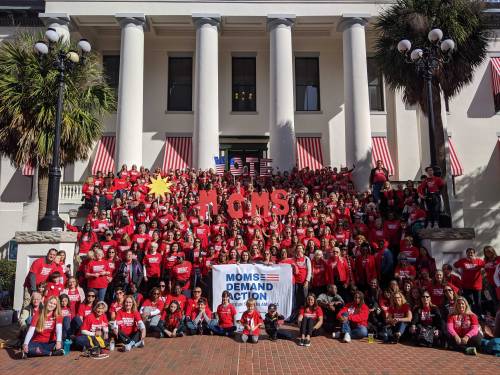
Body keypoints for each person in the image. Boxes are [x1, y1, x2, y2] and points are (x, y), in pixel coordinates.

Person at [453, 248, 485, 315]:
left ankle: (479, 316)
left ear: (474, 253)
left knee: (478, 302)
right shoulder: (463, 261)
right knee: (467, 301)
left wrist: (482, 274)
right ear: (466, 253)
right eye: (468, 252)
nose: (470, 254)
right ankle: (468, 314)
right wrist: (459, 273)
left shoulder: (479, 261)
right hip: (466, 285)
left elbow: (485, 267)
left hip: (477, 285)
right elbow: (454, 265)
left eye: (472, 252)